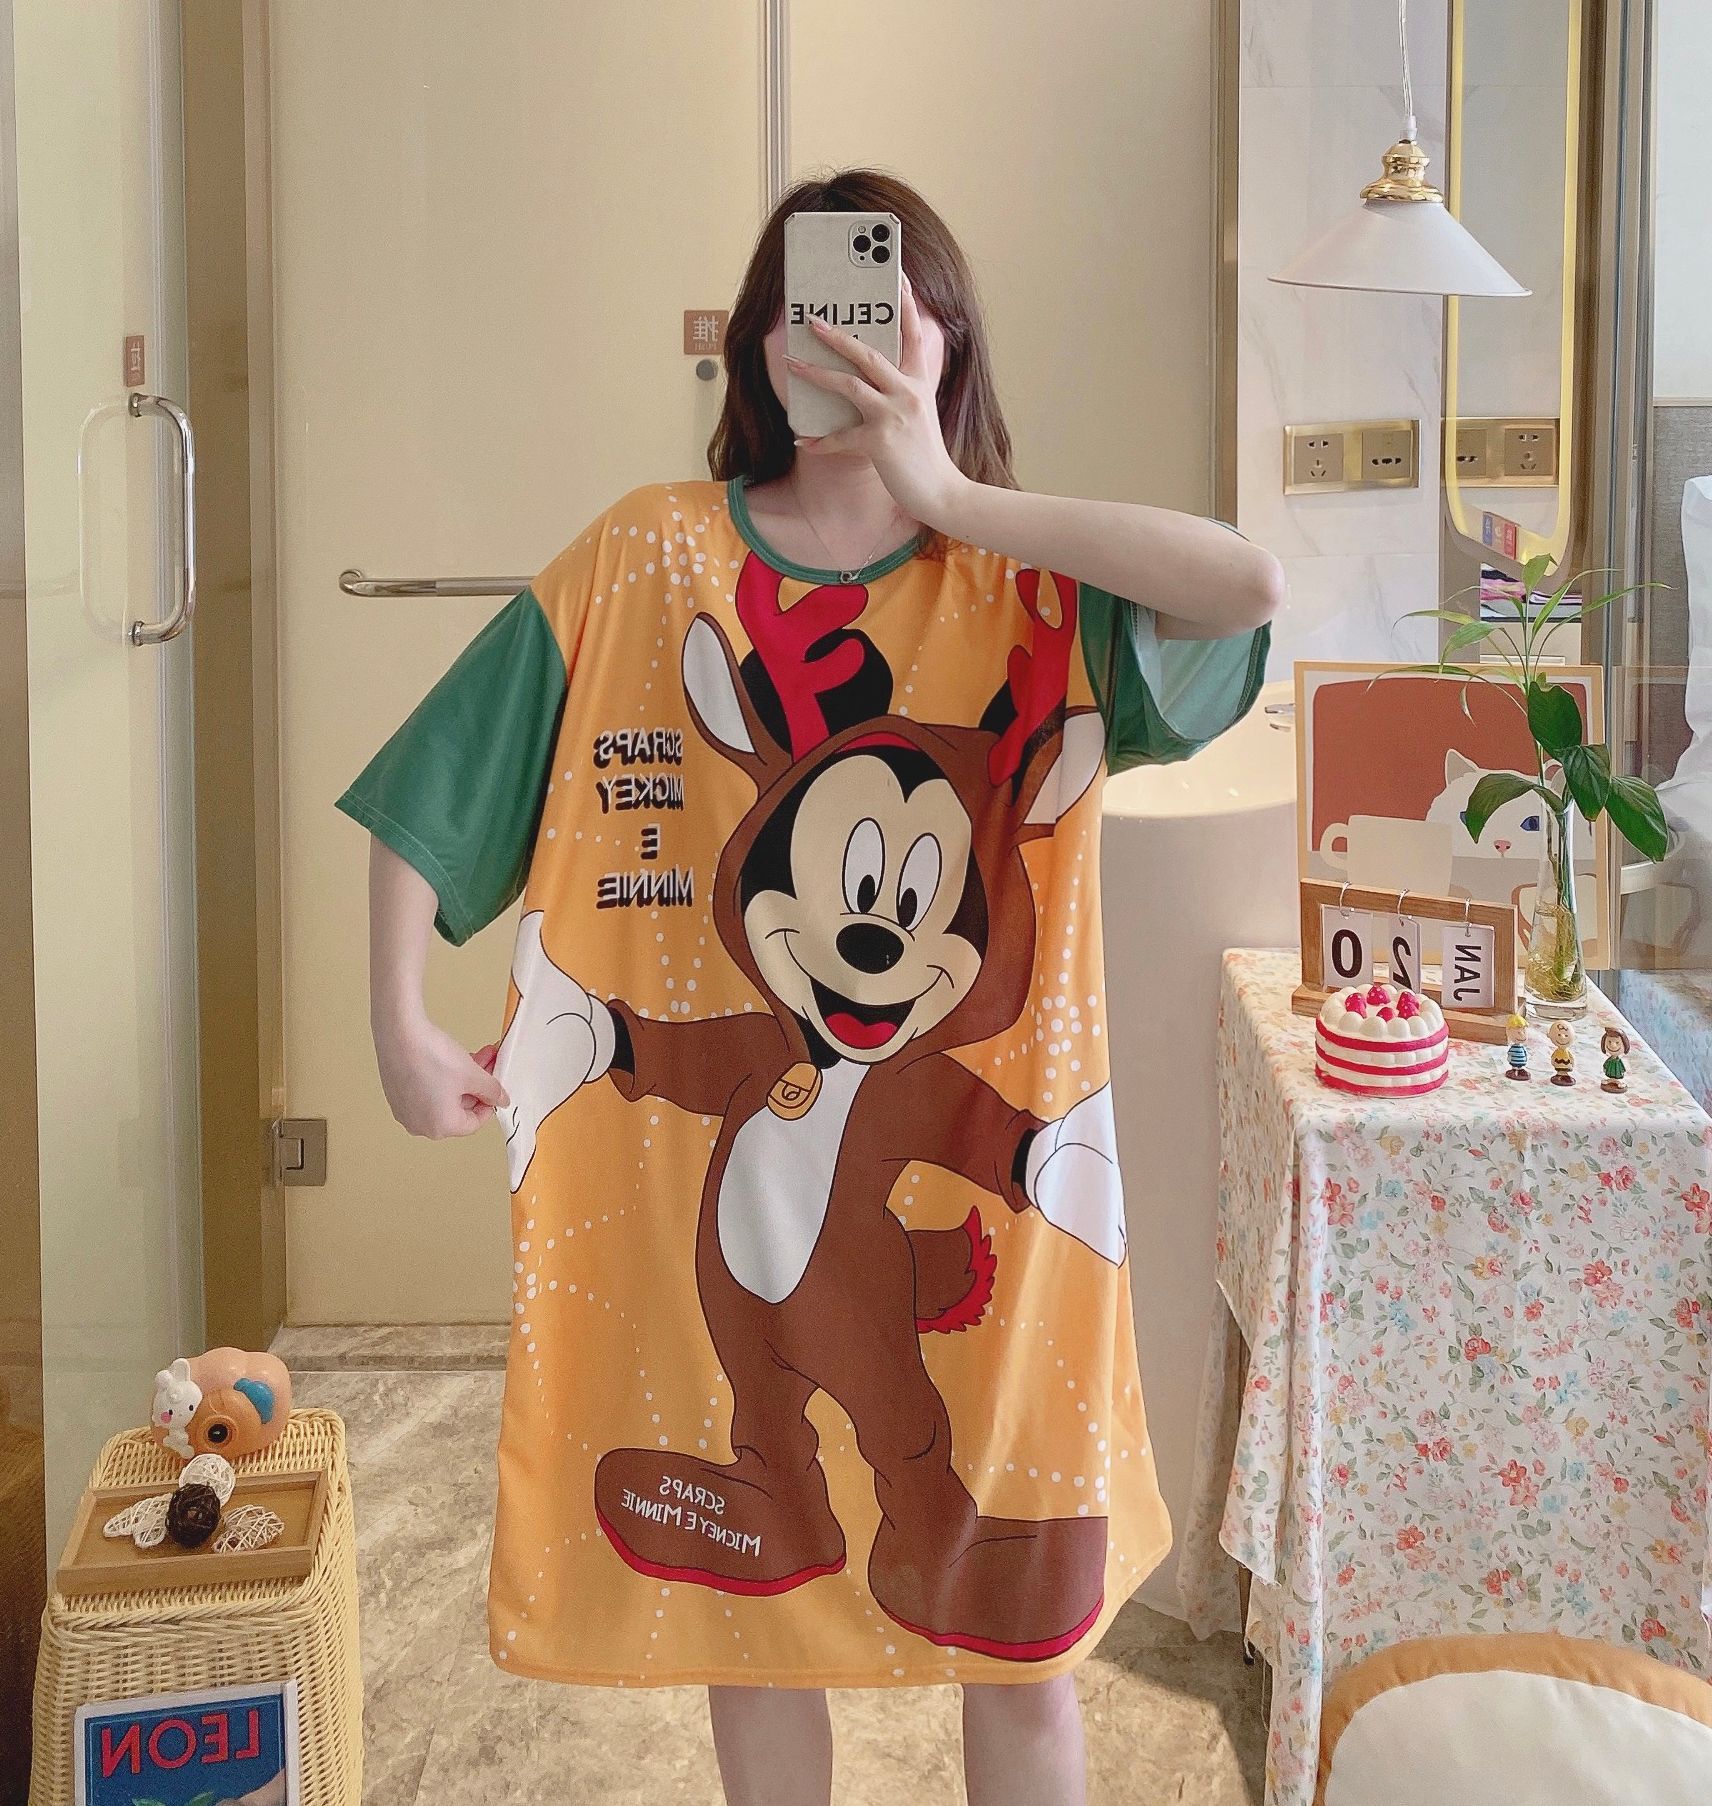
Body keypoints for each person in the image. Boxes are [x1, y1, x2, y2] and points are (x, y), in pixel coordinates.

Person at [337, 169, 1282, 1806]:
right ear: (753, 349)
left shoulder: (1027, 589)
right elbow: (438, 783)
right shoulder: (644, 556)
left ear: (948, 341)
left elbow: (1245, 586)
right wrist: (397, 1020)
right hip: (709, 1239)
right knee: (752, 1632)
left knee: (1019, 1647)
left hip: (992, 1244)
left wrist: (957, 494)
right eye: (803, 307)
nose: (838, 339)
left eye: (881, 308)